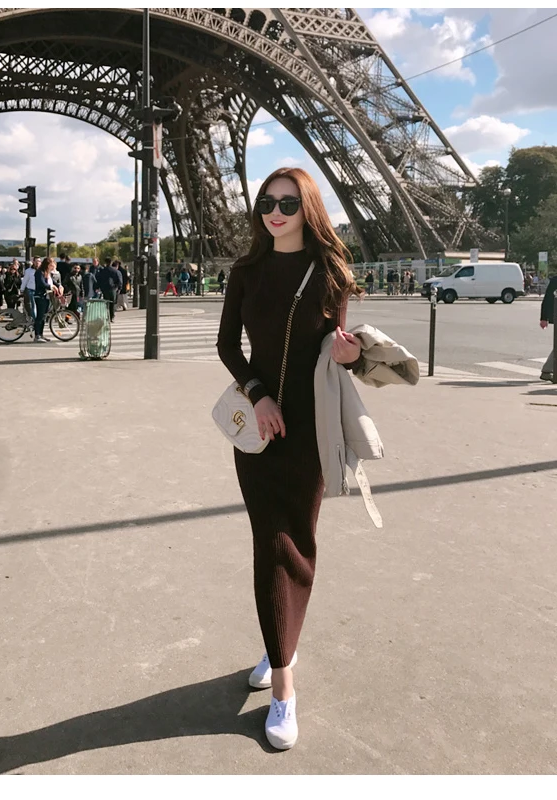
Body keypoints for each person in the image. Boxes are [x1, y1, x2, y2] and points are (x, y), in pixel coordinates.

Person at [217, 167, 364, 750]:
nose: (274, 213)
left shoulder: (331, 273)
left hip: (309, 429)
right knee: (270, 543)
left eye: (287, 203)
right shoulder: (247, 271)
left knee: (297, 542)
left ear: (308, 208)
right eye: (266, 203)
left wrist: (351, 354)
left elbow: (334, 351)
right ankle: (284, 681)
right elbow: (227, 345)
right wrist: (258, 395)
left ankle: (281, 644)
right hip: (261, 429)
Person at [34, 256, 55, 343]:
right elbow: (41, 283)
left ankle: (41, 334)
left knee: (43, 316)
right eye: (51, 265)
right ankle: (37, 335)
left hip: (46, 296)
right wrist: (51, 287)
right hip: (40, 296)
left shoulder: (47, 273)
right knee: (40, 316)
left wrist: (59, 286)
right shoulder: (39, 272)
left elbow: (53, 282)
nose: (52, 266)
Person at [96, 257, 122, 322]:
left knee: (106, 303)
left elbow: (99, 280)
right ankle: (112, 316)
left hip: (105, 289)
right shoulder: (115, 271)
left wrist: (99, 287)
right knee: (112, 303)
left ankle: (107, 316)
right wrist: (118, 287)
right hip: (113, 289)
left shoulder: (102, 271)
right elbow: (119, 280)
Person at [21, 257, 39, 323]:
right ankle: (35, 321)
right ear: (33, 262)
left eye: (39, 261)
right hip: (31, 290)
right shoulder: (29, 271)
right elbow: (25, 281)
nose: (38, 263)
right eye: (36, 261)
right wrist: (22, 289)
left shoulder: (41, 270)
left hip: (39, 290)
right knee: (34, 306)